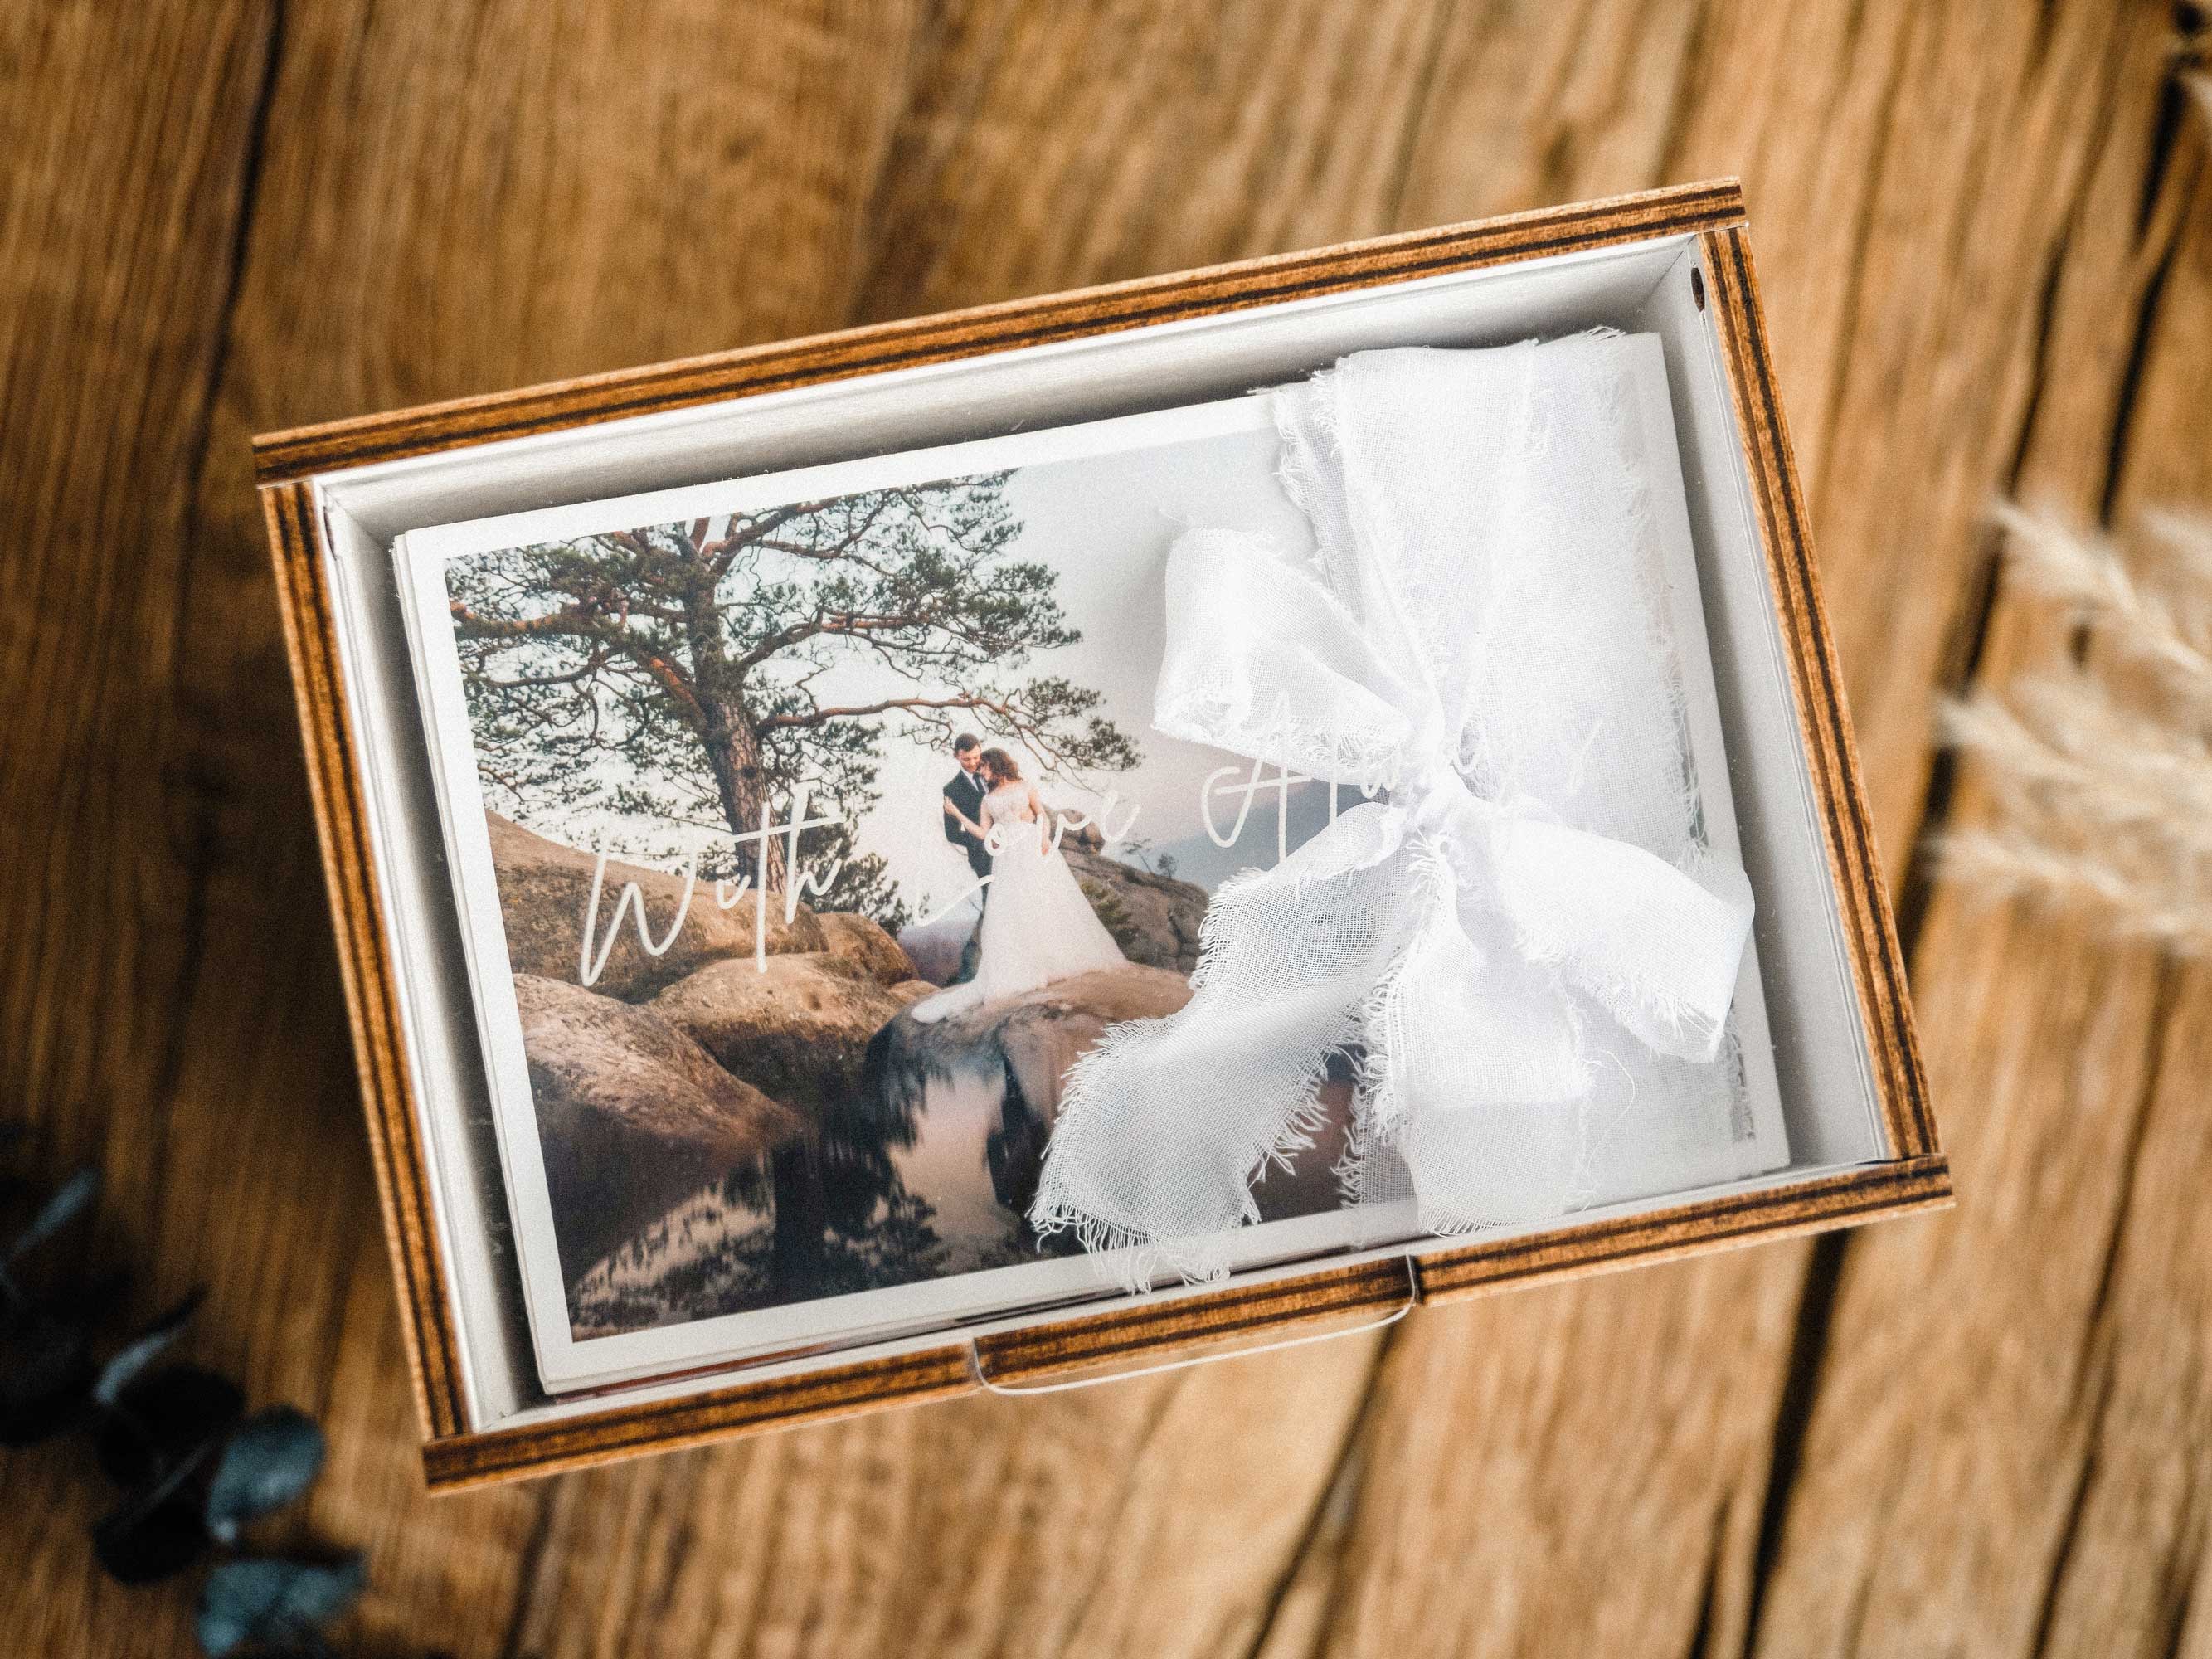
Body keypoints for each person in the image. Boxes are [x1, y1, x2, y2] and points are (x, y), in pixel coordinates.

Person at [910, 747, 1126, 1023]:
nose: (981, 771)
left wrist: (1045, 839)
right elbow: (984, 833)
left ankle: (1051, 959)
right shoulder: (987, 800)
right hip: (1008, 857)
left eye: (985, 766)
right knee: (1014, 909)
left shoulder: (1025, 786)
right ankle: (1027, 966)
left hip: (1032, 846)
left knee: (1045, 901)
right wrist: (957, 815)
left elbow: (1042, 815)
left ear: (996, 765)